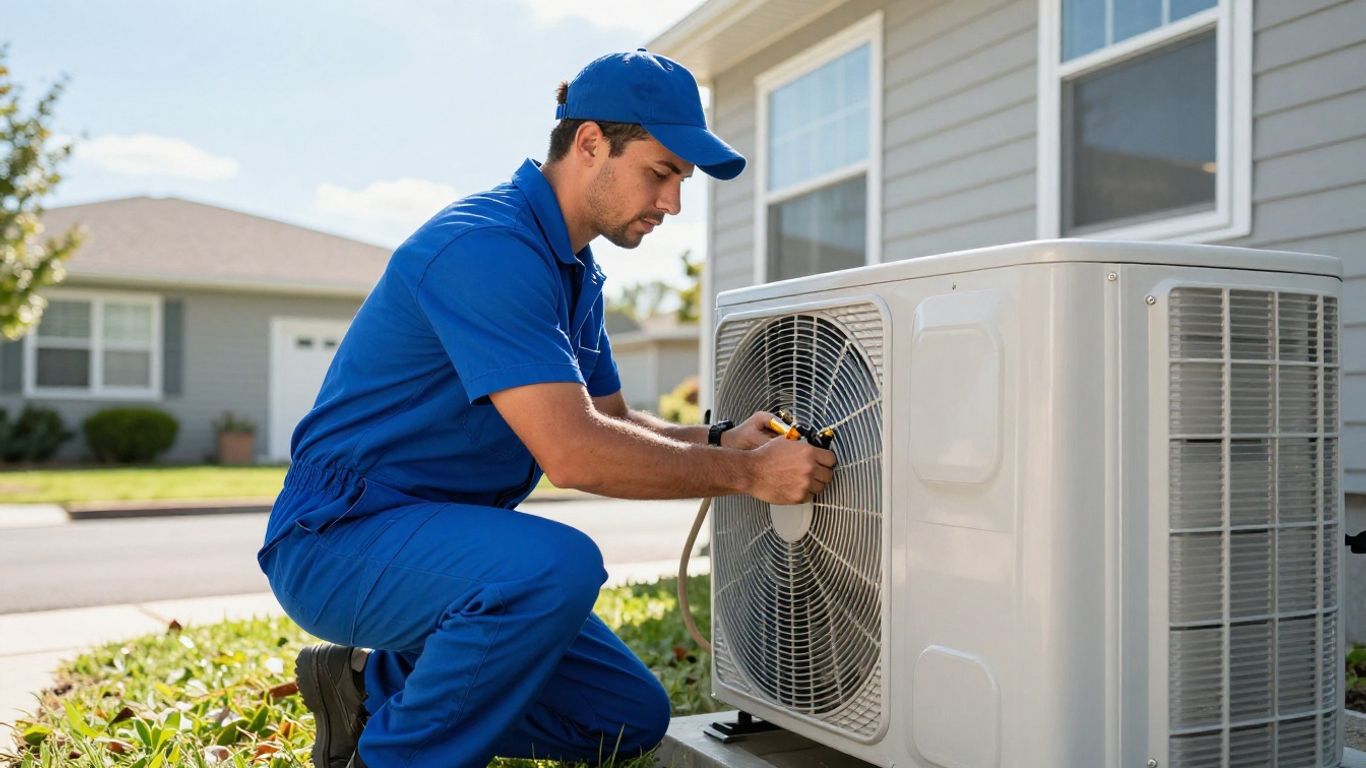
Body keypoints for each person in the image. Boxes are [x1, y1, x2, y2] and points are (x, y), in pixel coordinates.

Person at [256, 49, 836, 768]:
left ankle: (361, 690)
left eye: (681, 182)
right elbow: (575, 453)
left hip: (443, 542)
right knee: (553, 565)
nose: (672, 204)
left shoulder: (571, 270)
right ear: (590, 142)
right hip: (340, 540)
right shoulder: (487, 248)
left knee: (625, 716)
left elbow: (614, 421)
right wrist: (748, 477)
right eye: (661, 172)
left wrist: (725, 439)